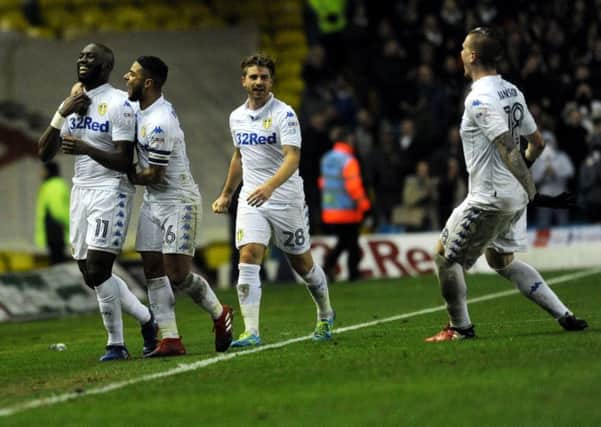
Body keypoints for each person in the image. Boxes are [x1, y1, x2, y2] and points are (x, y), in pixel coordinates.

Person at [426, 27, 587, 342]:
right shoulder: (512, 91)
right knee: (500, 261)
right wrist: (522, 185)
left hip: (490, 197)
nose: (459, 53)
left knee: (445, 257)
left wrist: (531, 190)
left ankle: (460, 327)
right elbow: (536, 144)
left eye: (462, 48)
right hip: (512, 196)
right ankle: (564, 314)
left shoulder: (479, 99)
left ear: (472, 56)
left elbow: (508, 148)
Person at [37, 43, 158, 360]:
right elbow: (43, 152)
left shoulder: (118, 104)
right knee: (90, 275)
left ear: (105, 66)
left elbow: (123, 160)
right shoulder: (74, 101)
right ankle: (148, 320)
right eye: (80, 56)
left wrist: (85, 148)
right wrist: (62, 111)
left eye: (90, 57)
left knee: (98, 267)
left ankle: (116, 344)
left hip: (111, 189)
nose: (82, 60)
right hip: (81, 191)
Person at [212, 54, 335, 347]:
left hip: (285, 199)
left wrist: (269, 187)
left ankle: (325, 312)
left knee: (302, 265)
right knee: (248, 256)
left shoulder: (285, 114)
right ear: (243, 81)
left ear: (271, 80)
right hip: (252, 199)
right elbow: (240, 156)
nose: (258, 82)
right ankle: (251, 331)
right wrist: (227, 193)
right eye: (253, 77)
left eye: (264, 77)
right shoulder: (236, 117)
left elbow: (293, 157)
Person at [123, 56, 233, 356]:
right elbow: (115, 102)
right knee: (152, 269)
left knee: (177, 274)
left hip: (179, 201)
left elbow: (153, 174)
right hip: (153, 202)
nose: (125, 77)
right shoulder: (139, 106)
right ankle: (170, 338)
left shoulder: (161, 122)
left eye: (131, 74)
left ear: (147, 83)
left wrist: (122, 170)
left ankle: (219, 312)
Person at [319, 125, 371, 282]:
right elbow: (353, 186)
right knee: (351, 243)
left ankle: (328, 268)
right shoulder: (349, 160)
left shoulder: (326, 158)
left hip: (330, 209)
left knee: (345, 242)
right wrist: (365, 206)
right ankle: (352, 273)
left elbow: (323, 183)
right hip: (348, 209)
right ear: (348, 140)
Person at [35, 161, 70, 264]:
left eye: (43, 170)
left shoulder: (53, 185)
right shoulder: (57, 184)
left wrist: (64, 223)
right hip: (56, 227)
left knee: (57, 258)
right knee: (58, 257)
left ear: (48, 171)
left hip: (55, 228)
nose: (40, 173)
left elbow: (57, 209)